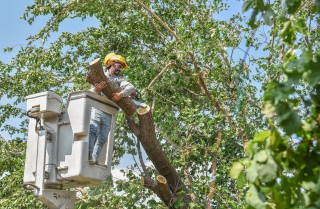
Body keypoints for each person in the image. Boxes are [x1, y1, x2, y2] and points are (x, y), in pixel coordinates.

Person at [88, 53, 136, 164]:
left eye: (121, 67)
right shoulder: (100, 76)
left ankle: (94, 159)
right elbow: (90, 92)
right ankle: (88, 155)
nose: (120, 69)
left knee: (103, 137)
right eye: (118, 66)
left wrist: (121, 94)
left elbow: (131, 87)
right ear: (110, 64)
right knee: (93, 129)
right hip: (98, 106)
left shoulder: (120, 80)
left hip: (109, 110)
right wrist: (96, 89)